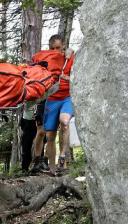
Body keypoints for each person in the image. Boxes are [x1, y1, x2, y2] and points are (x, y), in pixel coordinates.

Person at [32, 34, 75, 175]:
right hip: (51, 98)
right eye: (52, 48)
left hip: (66, 97)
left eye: (58, 47)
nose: (56, 51)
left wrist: (66, 78)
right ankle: (53, 169)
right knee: (49, 136)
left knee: (65, 121)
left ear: (64, 45)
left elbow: (79, 77)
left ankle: (62, 157)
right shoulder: (48, 60)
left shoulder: (71, 58)